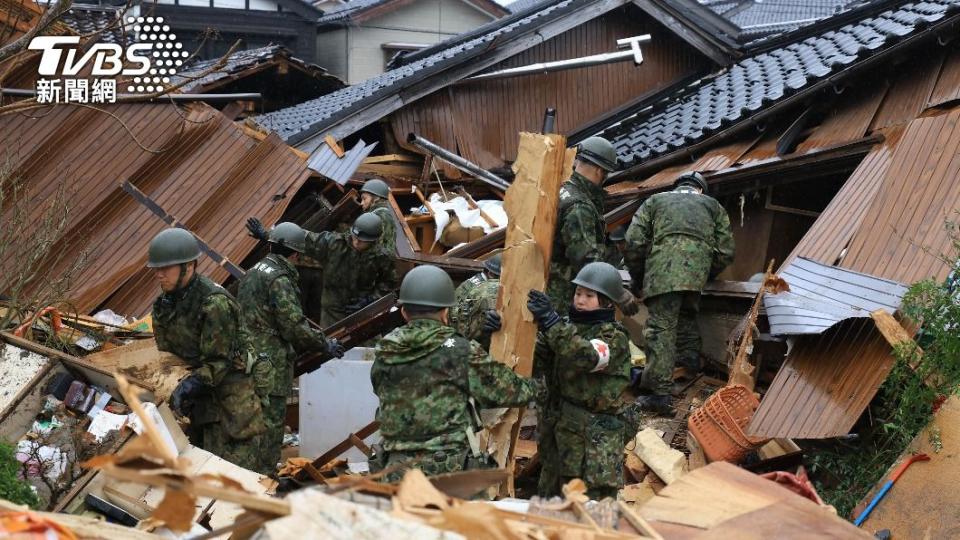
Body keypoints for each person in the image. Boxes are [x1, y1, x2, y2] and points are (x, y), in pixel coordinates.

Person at [369, 265, 541, 481]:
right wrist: (541, 385)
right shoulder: (460, 351)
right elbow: (510, 391)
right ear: (445, 312)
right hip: (446, 471)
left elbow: (380, 387)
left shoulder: (385, 349)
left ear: (404, 312)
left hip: (395, 469)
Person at [486, 262, 632, 498]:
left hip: (592, 440)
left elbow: (584, 356)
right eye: (578, 293)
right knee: (549, 500)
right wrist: (501, 330)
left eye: (589, 295)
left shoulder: (613, 337)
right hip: (559, 431)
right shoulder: (566, 327)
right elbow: (532, 356)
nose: (580, 300)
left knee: (587, 507)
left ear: (606, 302)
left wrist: (551, 321)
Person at [148, 228, 265, 471]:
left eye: (165, 269)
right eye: (156, 269)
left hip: (230, 404)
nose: (159, 275)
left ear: (188, 266)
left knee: (234, 478)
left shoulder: (214, 303)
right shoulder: (164, 304)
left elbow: (219, 362)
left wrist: (188, 385)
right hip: (199, 405)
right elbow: (167, 354)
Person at [237, 222, 346, 474]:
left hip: (249, 357)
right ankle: (264, 477)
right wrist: (324, 345)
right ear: (295, 254)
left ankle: (247, 473)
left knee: (252, 420)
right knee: (271, 424)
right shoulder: (280, 279)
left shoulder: (254, 271)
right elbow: (293, 326)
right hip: (270, 363)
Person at [625, 171, 735, 414]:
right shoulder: (713, 206)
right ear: (701, 190)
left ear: (677, 187)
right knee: (685, 318)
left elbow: (634, 241)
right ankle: (689, 368)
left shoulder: (655, 201)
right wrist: (704, 274)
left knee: (661, 331)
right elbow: (726, 252)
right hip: (696, 279)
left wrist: (638, 277)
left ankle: (660, 395)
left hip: (663, 274)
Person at [248, 213, 398, 328]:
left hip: (363, 312)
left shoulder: (382, 256)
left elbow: (389, 282)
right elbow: (302, 238)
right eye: (354, 237)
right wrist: (267, 236)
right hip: (332, 311)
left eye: (362, 241)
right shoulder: (333, 243)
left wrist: (369, 300)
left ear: (373, 241)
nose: (356, 242)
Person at [450, 254, 501, 349]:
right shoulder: (489, 291)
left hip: (455, 337)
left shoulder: (472, 282)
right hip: (469, 346)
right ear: (490, 274)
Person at [359, 178, 397, 255]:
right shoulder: (384, 213)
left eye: (364, 198)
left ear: (376, 198)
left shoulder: (378, 216)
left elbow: (369, 246)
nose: (361, 203)